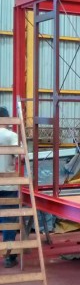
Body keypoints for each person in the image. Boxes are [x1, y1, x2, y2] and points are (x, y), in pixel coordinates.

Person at [0, 106, 19, 267]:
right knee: (9, 221)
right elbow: (21, 156)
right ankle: (8, 256)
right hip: (8, 186)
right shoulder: (11, 136)